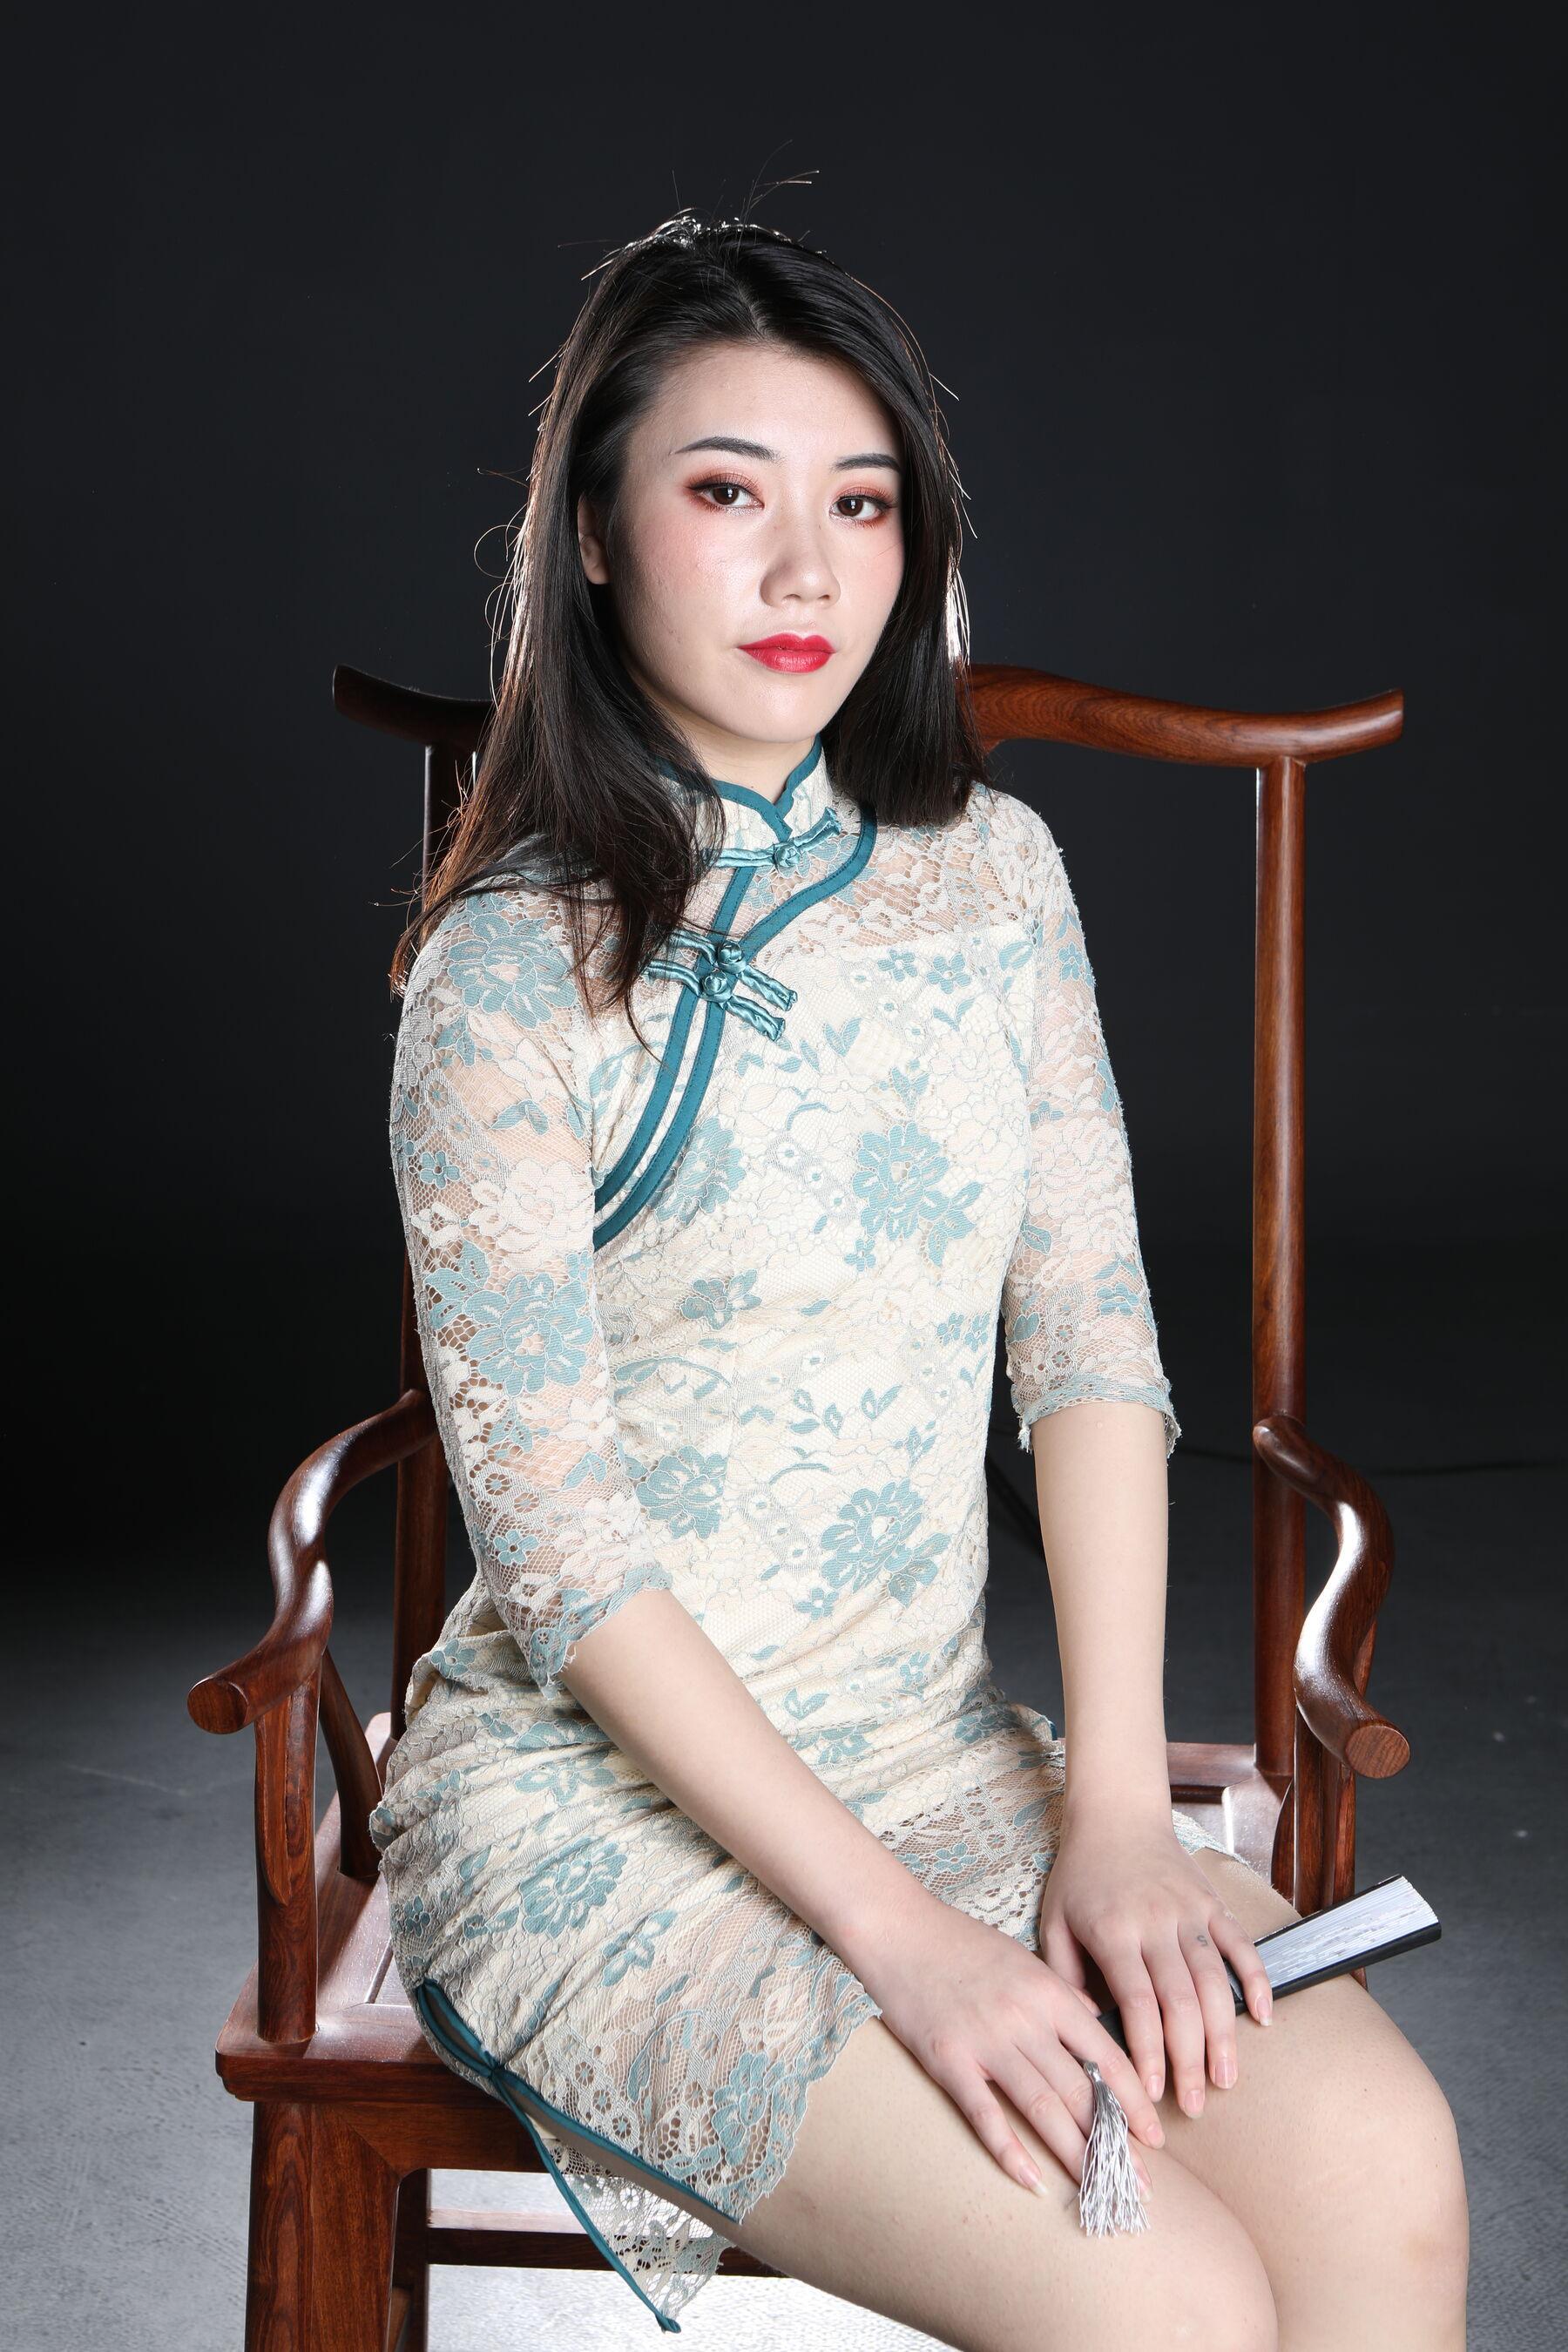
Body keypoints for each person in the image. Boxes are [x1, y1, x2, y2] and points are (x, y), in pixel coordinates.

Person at [369, 209, 1469, 2349]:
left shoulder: (997, 880)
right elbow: (564, 1558)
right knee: (1153, 2297)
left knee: (1384, 2168)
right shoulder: (502, 973)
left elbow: (1092, 1348)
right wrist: (911, 1948)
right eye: (726, 494)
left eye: (861, 505)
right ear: (590, 534)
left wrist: (1118, 1823)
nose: (807, 568)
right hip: (595, 1818)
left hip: (938, 1754)